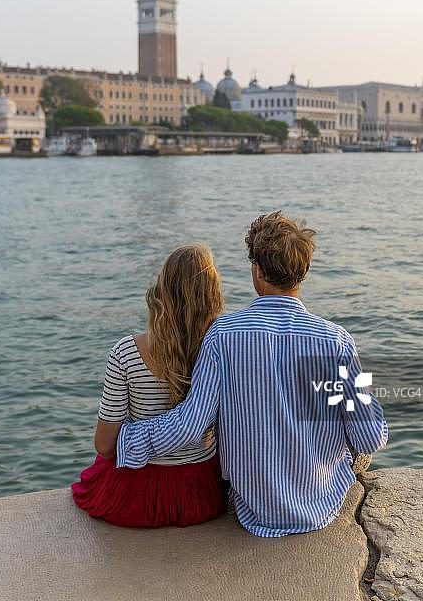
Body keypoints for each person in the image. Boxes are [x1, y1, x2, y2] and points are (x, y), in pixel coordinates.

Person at [115, 212, 388, 537]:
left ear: (257, 270)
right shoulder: (336, 340)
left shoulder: (223, 334)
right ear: (303, 272)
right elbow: (370, 438)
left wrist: (127, 439)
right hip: (321, 505)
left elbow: (190, 425)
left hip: (253, 511)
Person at [72, 244, 226, 527]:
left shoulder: (125, 353)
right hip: (201, 492)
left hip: (136, 494)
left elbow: (104, 446)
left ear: (162, 290)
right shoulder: (222, 350)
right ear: (213, 295)